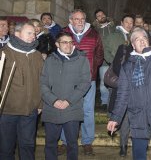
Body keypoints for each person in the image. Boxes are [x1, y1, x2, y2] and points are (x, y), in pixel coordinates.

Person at [107, 28, 151, 160]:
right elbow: (123, 94)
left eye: (144, 38)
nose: (142, 40)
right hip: (138, 114)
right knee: (138, 154)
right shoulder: (127, 66)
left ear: (148, 41)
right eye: (137, 39)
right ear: (133, 45)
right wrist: (115, 117)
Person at [40, 32, 91, 160]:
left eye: (70, 42)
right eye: (64, 42)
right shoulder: (50, 60)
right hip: (52, 107)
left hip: (72, 107)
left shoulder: (82, 59)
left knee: (72, 144)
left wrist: (69, 101)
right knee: (50, 143)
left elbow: (85, 83)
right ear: (57, 44)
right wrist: (53, 100)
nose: (68, 45)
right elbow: (42, 83)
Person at [61, 9, 104, 156]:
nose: (79, 21)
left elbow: (99, 54)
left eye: (82, 19)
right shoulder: (63, 33)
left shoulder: (94, 34)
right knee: (66, 108)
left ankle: (87, 142)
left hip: (88, 80)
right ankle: (66, 142)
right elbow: (57, 53)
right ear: (71, 20)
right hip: (67, 79)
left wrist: (91, 68)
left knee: (87, 110)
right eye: (76, 19)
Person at [0, 22, 44, 160]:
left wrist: (40, 104)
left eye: (34, 33)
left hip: (30, 110)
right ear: (17, 34)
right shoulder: (4, 53)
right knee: (6, 148)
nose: (33, 36)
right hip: (7, 111)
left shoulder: (36, 55)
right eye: (29, 33)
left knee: (28, 146)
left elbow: (42, 82)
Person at [92, 9, 116, 110]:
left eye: (102, 14)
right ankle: (105, 101)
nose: (101, 16)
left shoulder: (115, 27)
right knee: (104, 82)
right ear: (96, 19)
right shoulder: (95, 31)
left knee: (116, 81)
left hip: (116, 58)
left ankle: (114, 102)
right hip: (104, 60)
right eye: (98, 15)